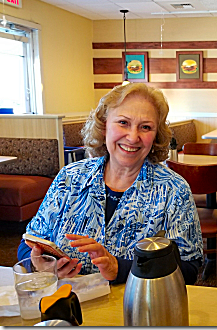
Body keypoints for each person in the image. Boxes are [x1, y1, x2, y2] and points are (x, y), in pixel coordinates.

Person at [18, 83, 203, 284]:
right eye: (123, 122)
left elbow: (189, 269)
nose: (133, 137)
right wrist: (39, 264)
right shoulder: (69, 177)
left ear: (156, 136)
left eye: (146, 127)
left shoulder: (173, 190)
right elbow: (29, 242)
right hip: (65, 304)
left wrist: (119, 268)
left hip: (136, 308)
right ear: (104, 126)